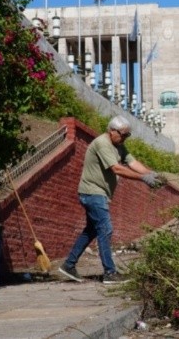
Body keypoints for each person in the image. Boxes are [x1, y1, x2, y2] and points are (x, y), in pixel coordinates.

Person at [58, 115, 161, 284]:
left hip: (98, 194)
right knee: (105, 229)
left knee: (91, 230)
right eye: (122, 134)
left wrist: (151, 175)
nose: (125, 138)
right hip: (92, 193)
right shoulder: (102, 143)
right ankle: (109, 273)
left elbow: (133, 163)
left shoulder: (119, 145)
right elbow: (117, 169)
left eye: (128, 135)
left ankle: (69, 265)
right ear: (111, 131)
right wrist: (143, 179)